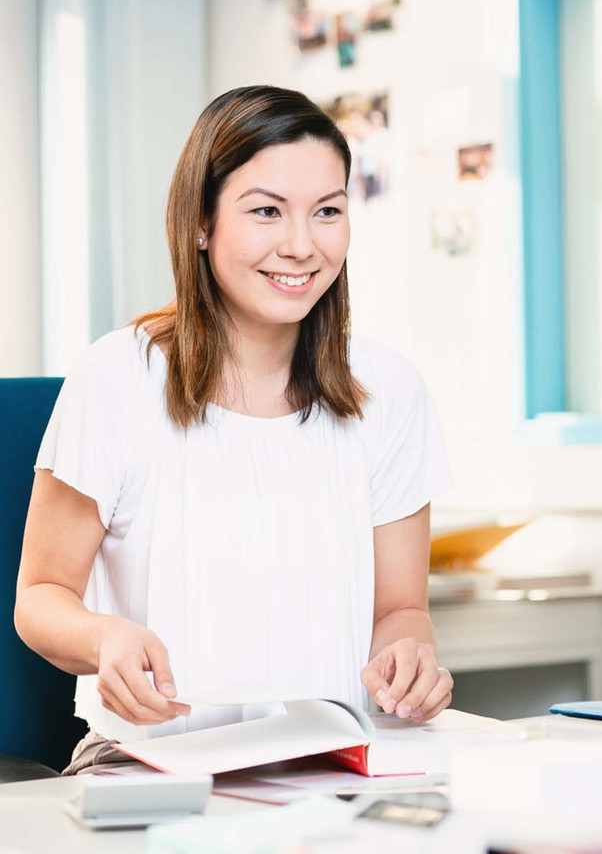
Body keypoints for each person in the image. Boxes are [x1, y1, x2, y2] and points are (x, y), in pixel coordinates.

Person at [14, 85, 454, 774]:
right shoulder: (116, 378)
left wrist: (410, 657)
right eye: (266, 212)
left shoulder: (389, 390)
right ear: (201, 221)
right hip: (150, 760)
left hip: (329, 761)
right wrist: (105, 639)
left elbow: (401, 609)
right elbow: (40, 600)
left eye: (328, 212)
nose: (302, 245)